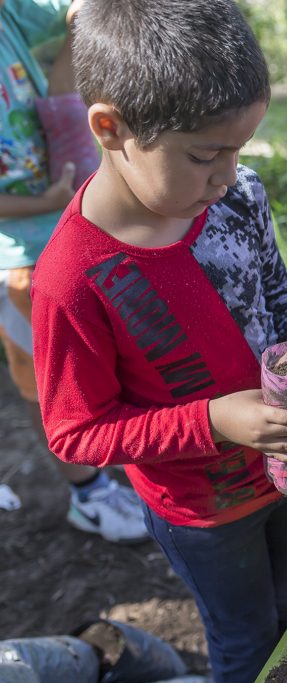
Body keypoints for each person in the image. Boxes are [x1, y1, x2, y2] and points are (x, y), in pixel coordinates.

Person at [30, 2, 287, 681]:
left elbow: (275, 286)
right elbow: (77, 432)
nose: (229, 174)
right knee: (242, 638)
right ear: (112, 128)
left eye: (240, 149)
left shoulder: (234, 197)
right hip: (204, 511)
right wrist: (217, 419)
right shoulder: (73, 278)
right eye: (207, 154)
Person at [0, 0, 146, 543]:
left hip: (69, 218)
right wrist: (40, 200)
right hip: (18, 254)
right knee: (53, 386)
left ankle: (129, 463)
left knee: (106, 357)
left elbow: (74, 15)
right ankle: (88, 494)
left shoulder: (10, 15)